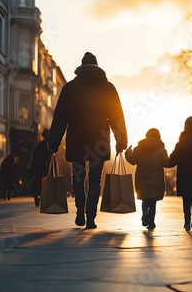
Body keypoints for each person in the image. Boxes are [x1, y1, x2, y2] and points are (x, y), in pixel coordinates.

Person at [48, 52, 128, 229]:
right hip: (98, 139)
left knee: (78, 176)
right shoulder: (108, 88)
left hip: (77, 137)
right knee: (95, 178)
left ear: (81, 68)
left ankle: (79, 210)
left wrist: (53, 142)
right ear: (97, 67)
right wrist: (120, 140)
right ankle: (91, 216)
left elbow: (60, 117)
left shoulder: (70, 88)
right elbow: (117, 117)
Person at [125, 128, 171, 230]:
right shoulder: (161, 150)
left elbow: (132, 160)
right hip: (156, 180)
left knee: (145, 200)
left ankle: (145, 212)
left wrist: (128, 153)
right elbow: (166, 163)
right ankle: (151, 222)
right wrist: (175, 157)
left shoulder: (138, 148)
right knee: (153, 202)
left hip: (142, 179)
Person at [29, 129, 52, 207]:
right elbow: (51, 156)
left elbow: (34, 156)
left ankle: (37, 195)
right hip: (46, 167)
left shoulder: (39, 145)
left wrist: (34, 166)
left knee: (38, 180)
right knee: (45, 182)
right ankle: (42, 197)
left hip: (39, 166)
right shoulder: (49, 145)